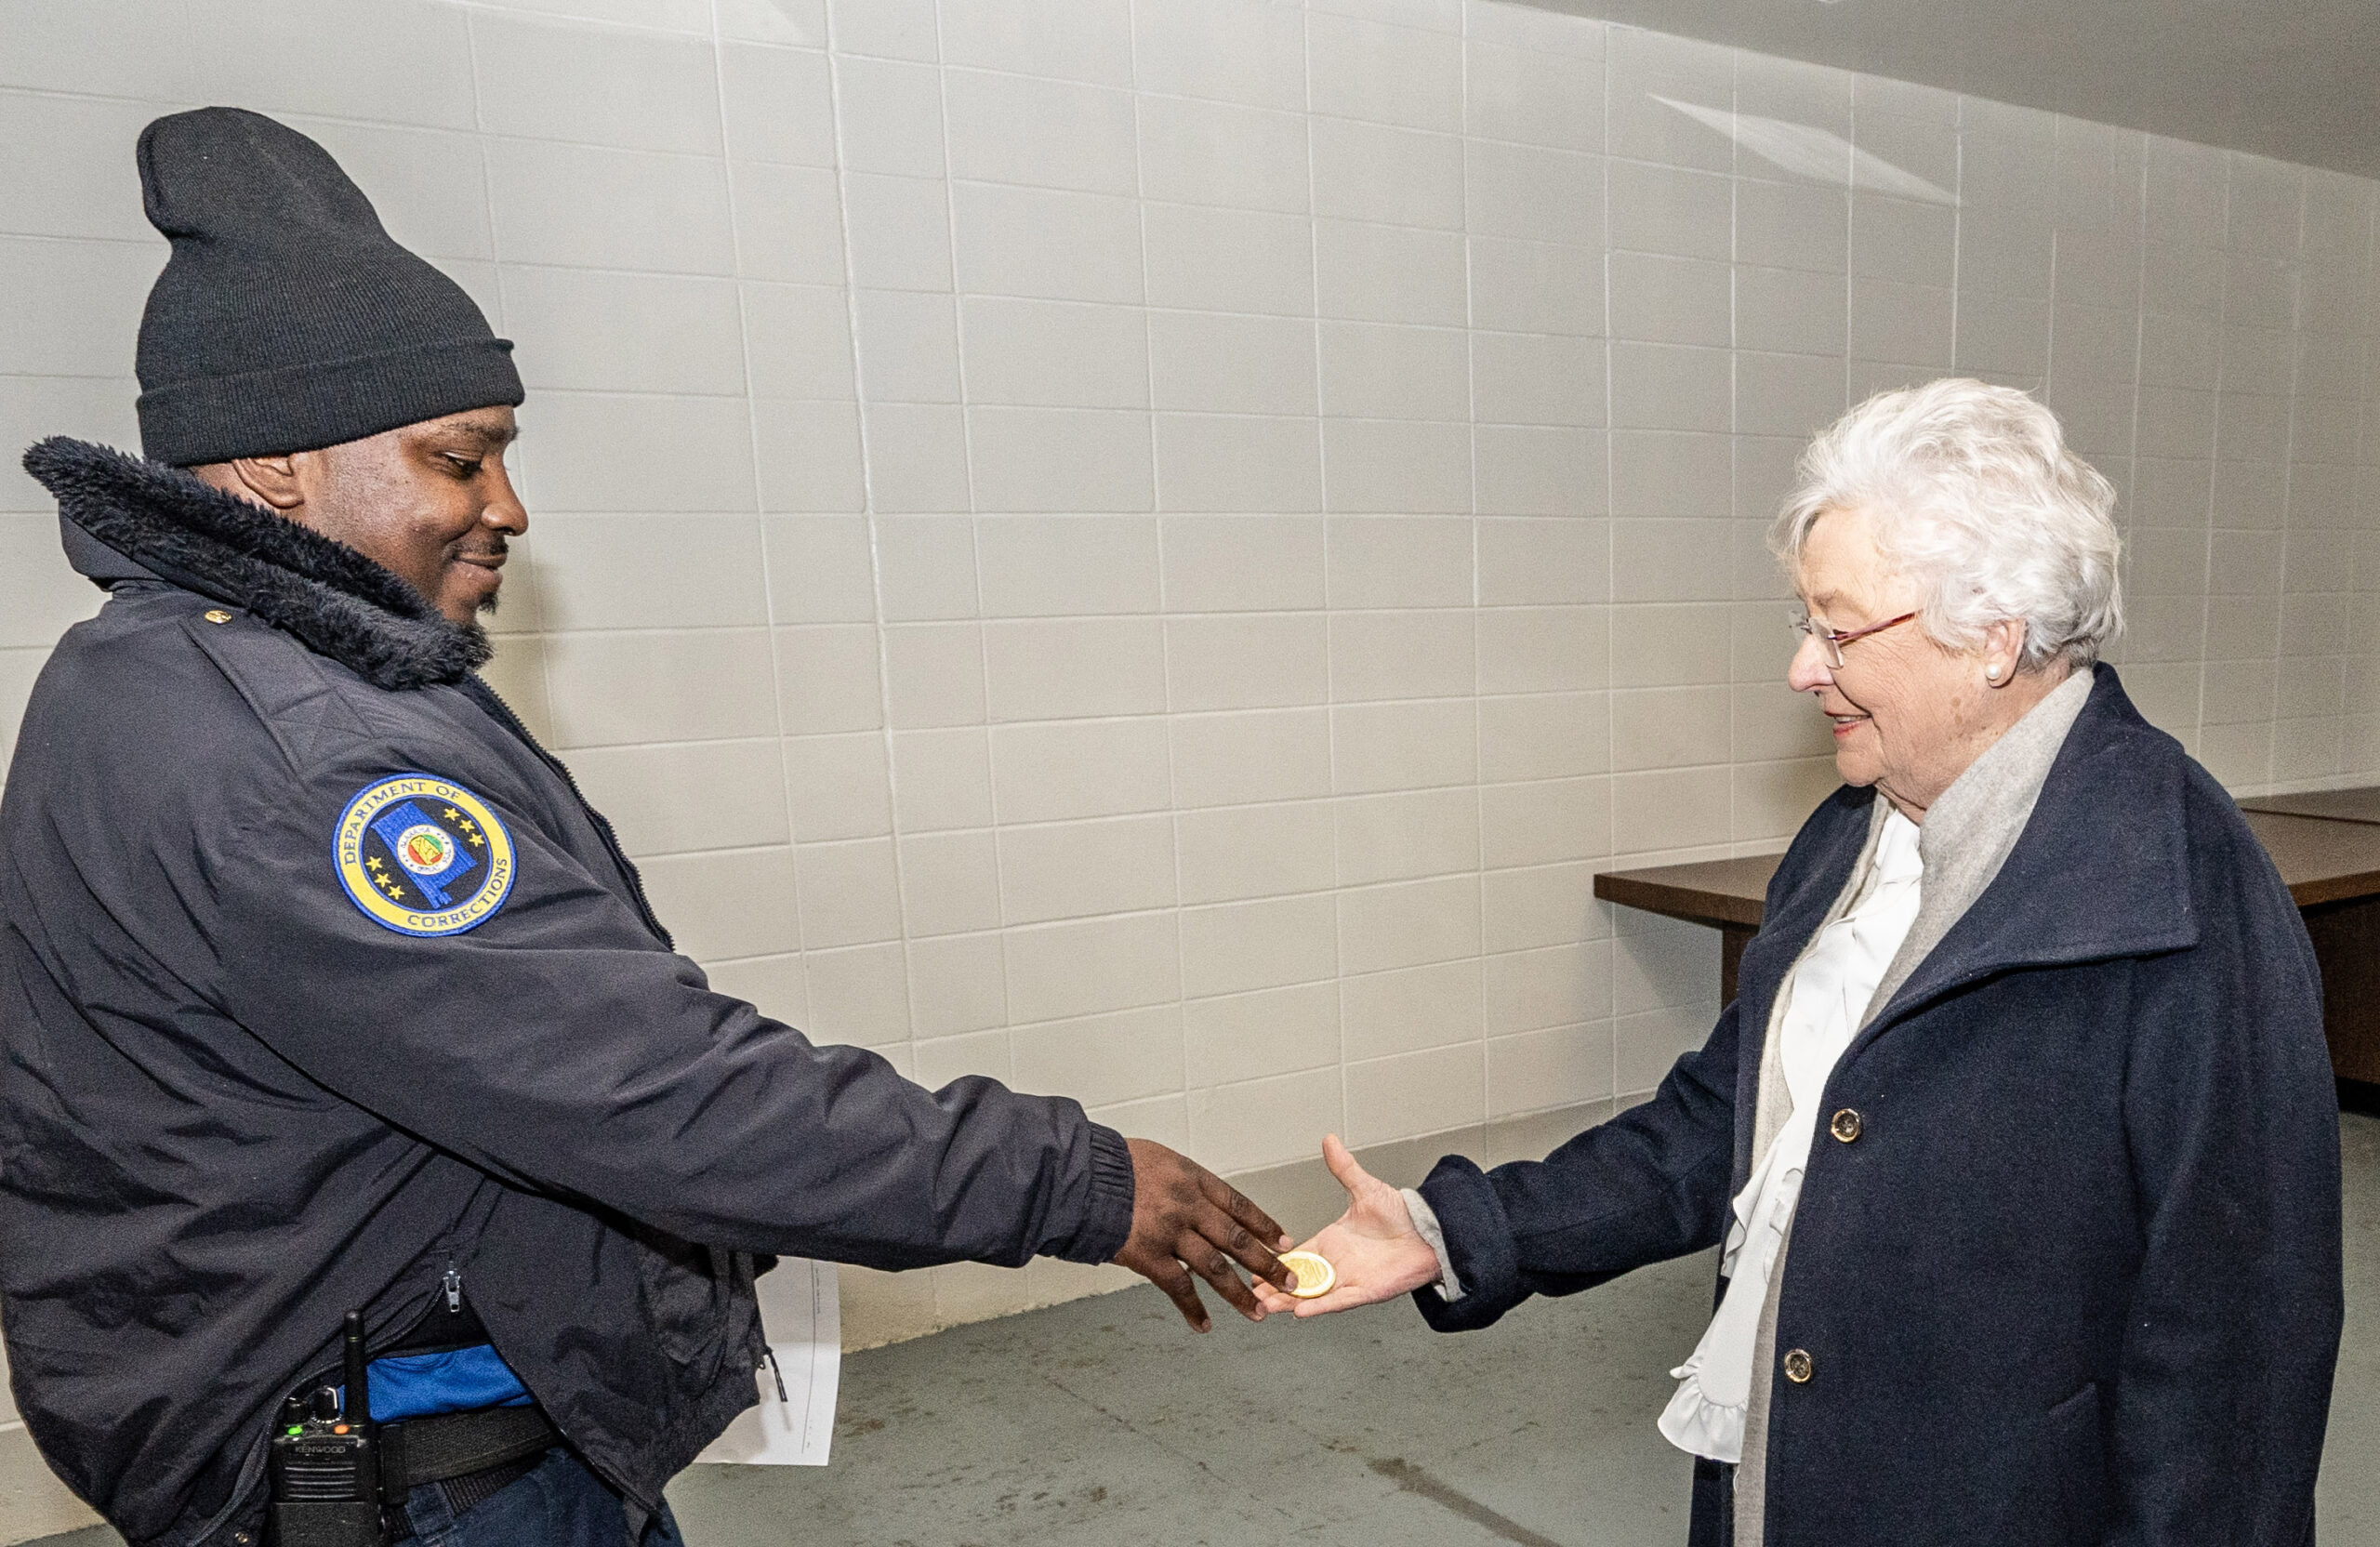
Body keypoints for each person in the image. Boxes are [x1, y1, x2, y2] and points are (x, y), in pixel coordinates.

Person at [0, 107, 1294, 1547]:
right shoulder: (309, 764)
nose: (510, 506)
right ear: (276, 469)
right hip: (419, 1473)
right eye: (458, 458)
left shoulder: (160, 667)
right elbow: (658, 1092)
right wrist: (1075, 1178)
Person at [1260, 378, 2345, 1546]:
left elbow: (2238, 1342)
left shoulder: (2181, 887)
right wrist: (1456, 1229)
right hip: (1792, 1468)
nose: (1800, 667)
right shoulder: (1856, 825)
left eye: (1836, 627)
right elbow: (1726, 1116)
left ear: (1990, 639)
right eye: (1803, 622)